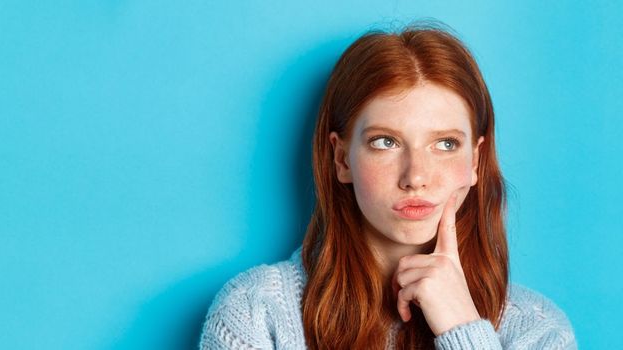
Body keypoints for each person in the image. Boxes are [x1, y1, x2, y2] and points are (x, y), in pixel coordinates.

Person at [199, 22, 576, 349]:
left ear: (475, 161)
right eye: (386, 142)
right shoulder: (255, 312)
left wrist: (464, 330)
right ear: (342, 159)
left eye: (445, 144)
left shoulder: (539, 331)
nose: (416, 177)